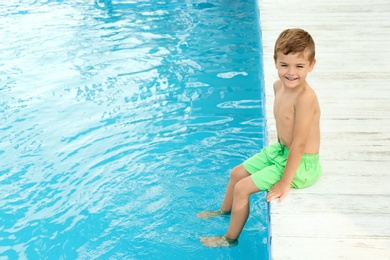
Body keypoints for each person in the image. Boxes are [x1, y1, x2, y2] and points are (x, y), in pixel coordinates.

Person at [198, 28, 322, 248]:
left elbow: (300, 144)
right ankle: (224, 211)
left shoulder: (305, 98)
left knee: (242, 188)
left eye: (299, 66)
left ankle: (229, 239)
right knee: (236, 173)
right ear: (275, 62)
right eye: (284, 65)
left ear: (312, 65)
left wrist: (284, 182)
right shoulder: (278, 86)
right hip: (281, 151)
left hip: (301, 162)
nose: (291, 72)